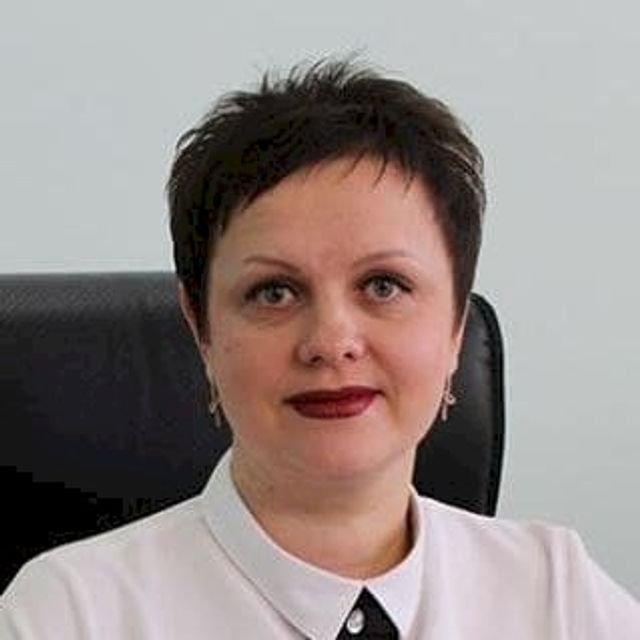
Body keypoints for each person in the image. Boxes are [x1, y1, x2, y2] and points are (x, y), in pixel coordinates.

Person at [1, 57, 639, 639]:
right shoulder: (69, 615)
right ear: (202, 331)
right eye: (274, 292)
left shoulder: (556, 594)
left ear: (454, 331)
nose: (331, 343)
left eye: (383, 285)